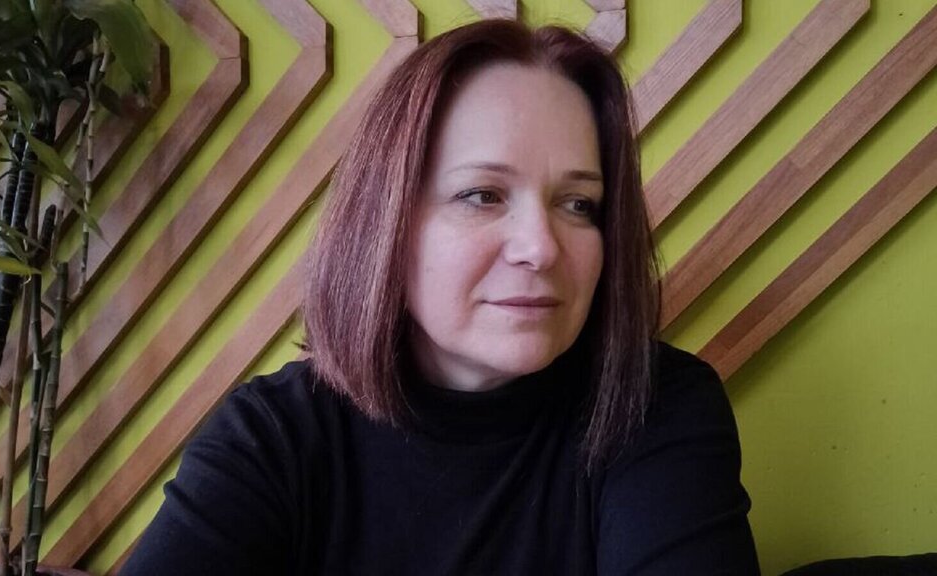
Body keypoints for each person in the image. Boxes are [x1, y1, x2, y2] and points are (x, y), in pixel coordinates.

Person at [121, 19, 759, 575]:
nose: (541, 247)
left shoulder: (652, 404)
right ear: (386, 223)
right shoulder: (274, 436)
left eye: (578, 204)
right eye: (483, 195)